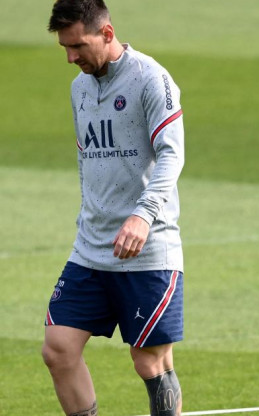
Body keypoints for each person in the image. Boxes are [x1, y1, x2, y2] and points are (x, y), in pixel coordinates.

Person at [42, 1, 186, 415]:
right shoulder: (79, 89)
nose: (71, 58)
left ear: (106, 34)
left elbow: (171, 155)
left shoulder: (151, 79)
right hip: (91, 249)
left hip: (148, 250)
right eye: (64, 49)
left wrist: (142, 215)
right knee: (58, 349)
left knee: (150, 362)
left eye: (78, 46)